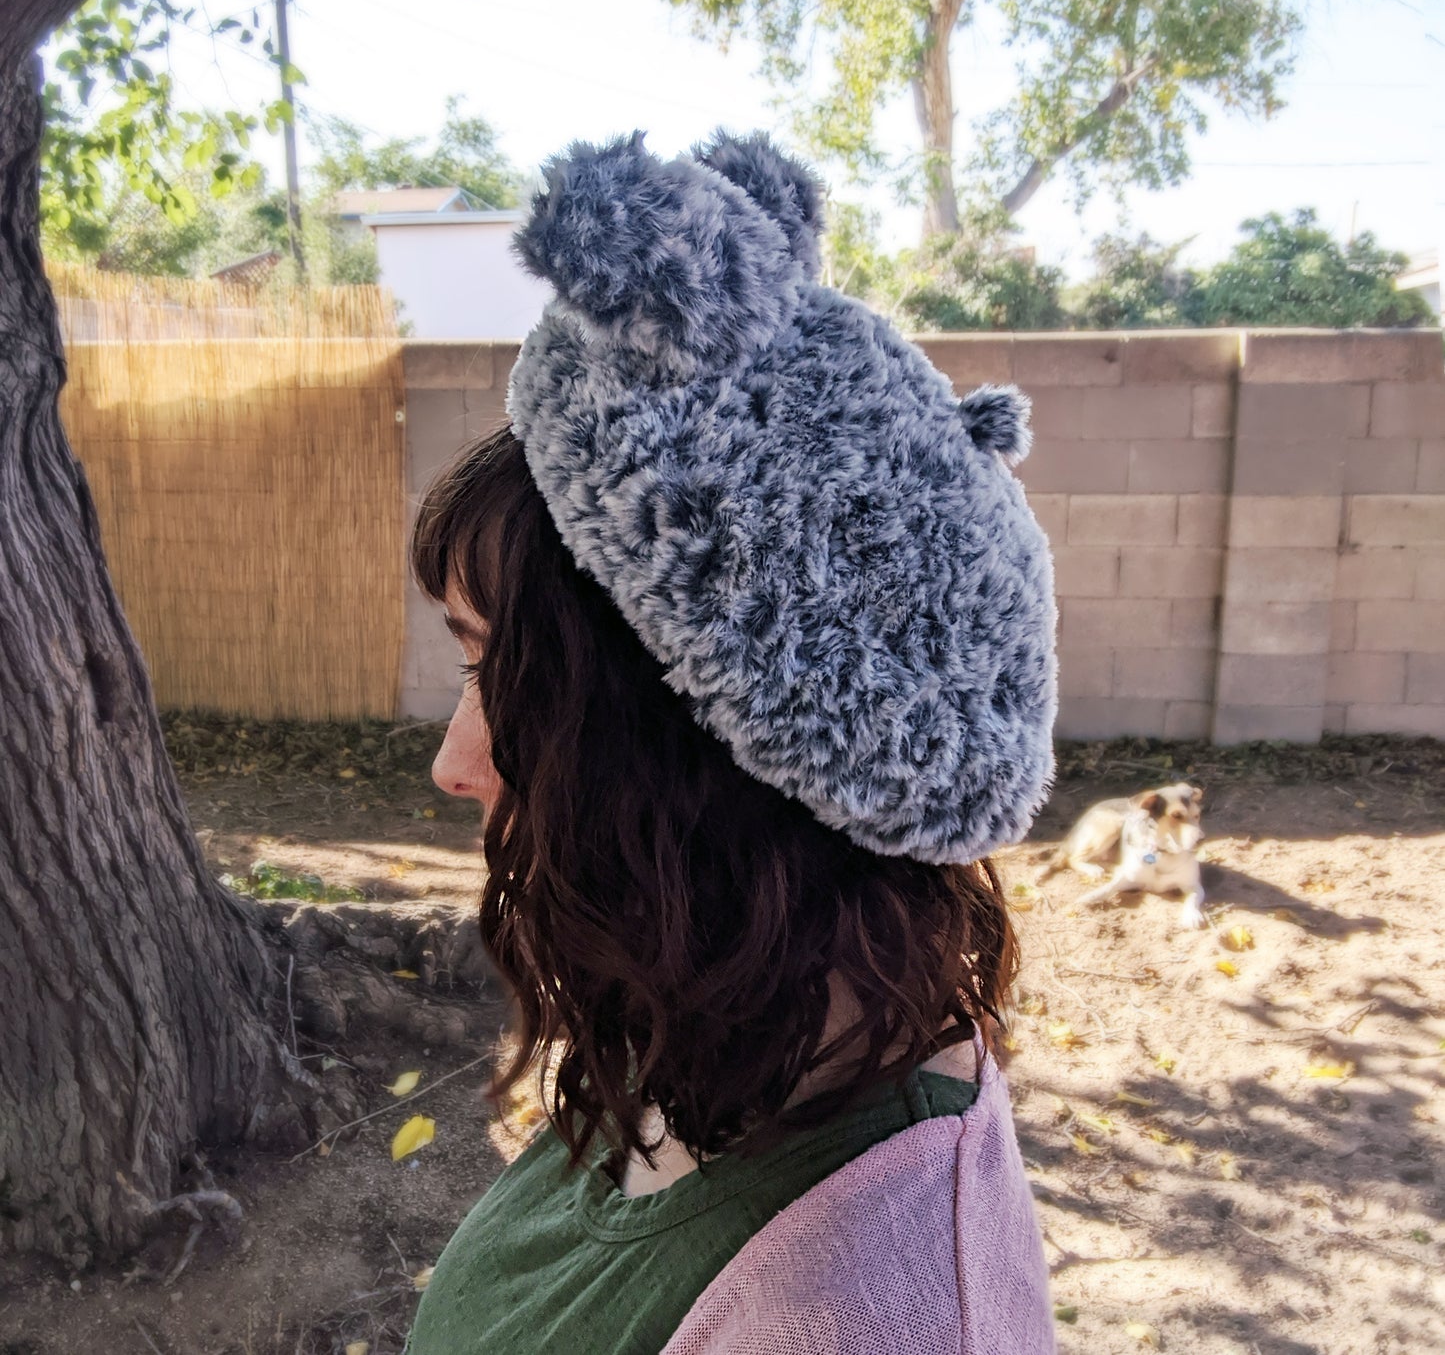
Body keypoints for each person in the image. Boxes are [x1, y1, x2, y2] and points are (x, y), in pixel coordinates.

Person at [405, 130, 1059, 1355]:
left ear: (706, 750)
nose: (455, 762)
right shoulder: (724, 1021)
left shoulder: (843, 1317)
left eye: (506, 677)